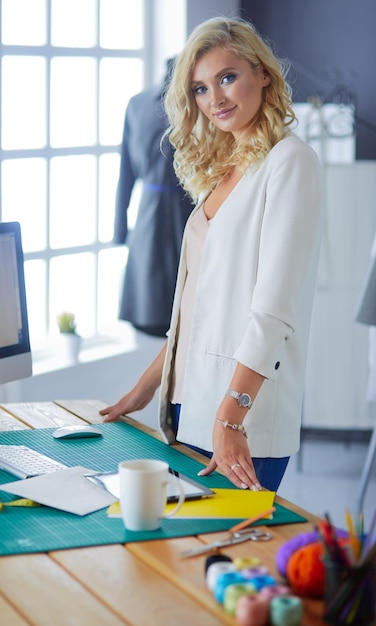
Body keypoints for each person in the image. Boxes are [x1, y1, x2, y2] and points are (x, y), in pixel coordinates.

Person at [100, 17, 323, 493]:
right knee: (183, 561)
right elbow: (198, 311)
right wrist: (145, 389)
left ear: (262, 73)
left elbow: (273, 311)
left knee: (228, 558)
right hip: (187, 406)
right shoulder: (224, 169)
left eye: (227, 78)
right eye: (200, 88)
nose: (215, 99)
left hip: (239, 419)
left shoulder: (290, 162)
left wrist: (231, 417)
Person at [114, 58, 194, 337]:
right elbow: (125, 170)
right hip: (150, 212)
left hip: (190, 209)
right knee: (150, 298)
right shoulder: (137, 104)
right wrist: (119, 229)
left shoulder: (199, 102)